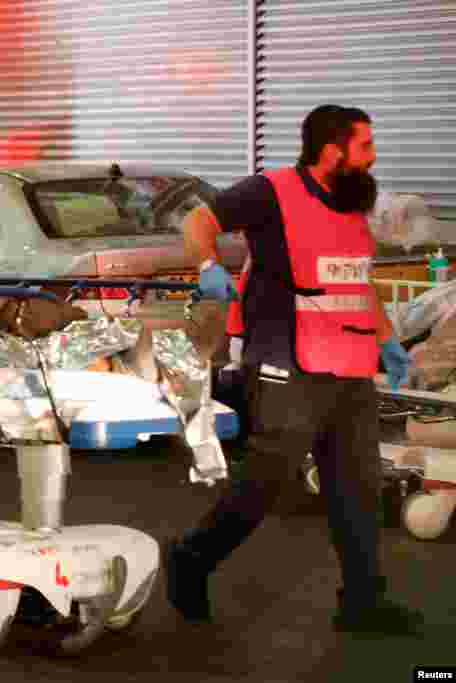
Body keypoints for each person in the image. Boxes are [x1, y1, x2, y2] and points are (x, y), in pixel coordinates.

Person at [166, 105, 425, 636]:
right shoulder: (272, 191)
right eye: (366, 145)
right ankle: (192, 558)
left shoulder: (353, 206)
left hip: (349, 365)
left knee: (357, 485)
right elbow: (199, 220)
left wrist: (388, 341)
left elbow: (356, 283)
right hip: (288, 357)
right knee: (269, 478)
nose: (374, 156)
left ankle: (362, 603)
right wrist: (208, 265)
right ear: (333, 149)